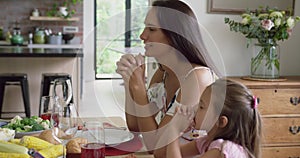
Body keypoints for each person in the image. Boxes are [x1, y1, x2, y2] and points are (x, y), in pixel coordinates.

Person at [116, 0, 219, 157]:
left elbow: (155, 147)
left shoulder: (197, 77)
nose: (142, 35)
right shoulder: (163, 72)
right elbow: (135, 126)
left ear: (174, 35)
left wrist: (138, 88)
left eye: (151, 29)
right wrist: (130, 81)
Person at [165, 79, 262, 158]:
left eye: (201, 107)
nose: (195, 109)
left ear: (220, 121)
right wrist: (178, 131)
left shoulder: (222, 150)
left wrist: (173, 130)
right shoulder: (206, 141)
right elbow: (167, 154)